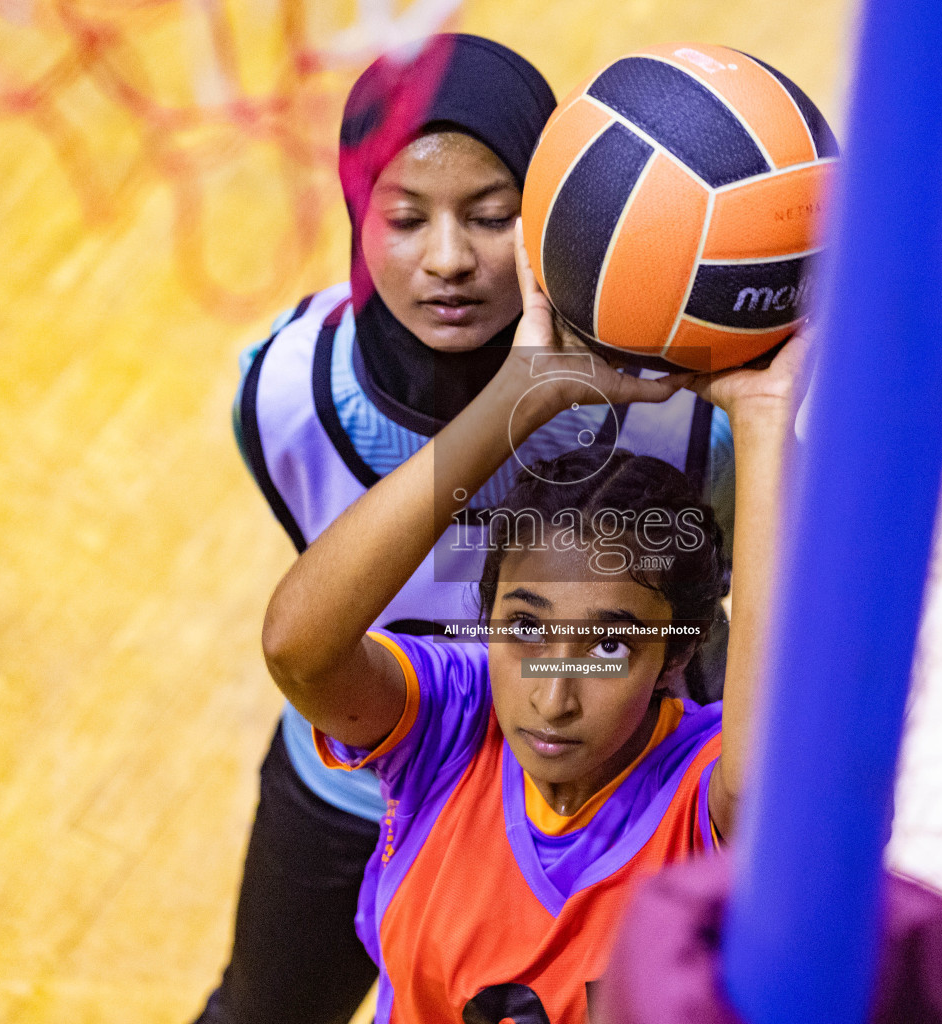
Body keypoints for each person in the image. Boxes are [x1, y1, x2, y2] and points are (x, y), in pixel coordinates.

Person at [200, 33, 734, 1024]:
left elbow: (712, 617)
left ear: (548, 217)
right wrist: (512, 408)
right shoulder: (284, 391)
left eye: (493, 218)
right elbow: (310, 625)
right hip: (376, 756)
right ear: (357, 218)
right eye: (403, 218)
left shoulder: (674, 413)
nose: (448, 260)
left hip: (613, 806)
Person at [259, 224, 800, 1022]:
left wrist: (763, 421)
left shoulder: (695, 796)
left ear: (673, 658)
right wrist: (520, 396)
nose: (552, 698)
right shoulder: (452, 720)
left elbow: (764, 787)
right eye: (525, 629)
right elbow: (299, 651)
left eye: (609, 645)